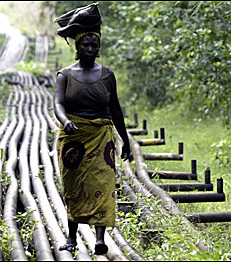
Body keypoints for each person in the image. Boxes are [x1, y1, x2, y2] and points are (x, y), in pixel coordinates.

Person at [53, 3, 130, 255]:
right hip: (73, 138)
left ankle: (99, 239)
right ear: (77, 47)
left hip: (101, 137)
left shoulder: (107, 75)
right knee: (73, 186)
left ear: (99, 48)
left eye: (93, 45)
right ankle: (72, 237)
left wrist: (125, 139)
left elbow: (116, 109)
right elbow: (58, 104)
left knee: (103, 183)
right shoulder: (65, 75)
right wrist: (65, 121)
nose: (89, 49)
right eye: (85, 44)